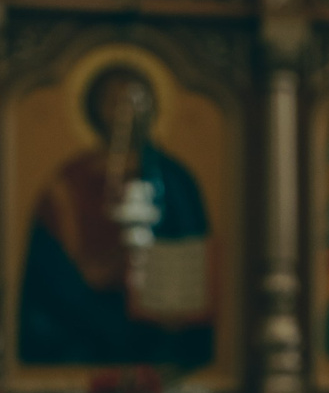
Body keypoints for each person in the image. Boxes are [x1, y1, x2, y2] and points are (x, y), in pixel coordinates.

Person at [17, 62, 214, 368]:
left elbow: (189, 246)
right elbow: (46, 263)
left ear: (151, 109)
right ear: (95, 109)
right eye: (114, 102)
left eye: (134, 102)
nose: (125, 113)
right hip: (81, 317)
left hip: (155, 319)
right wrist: (89, 285)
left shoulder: (172, 179)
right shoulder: (67, 181)